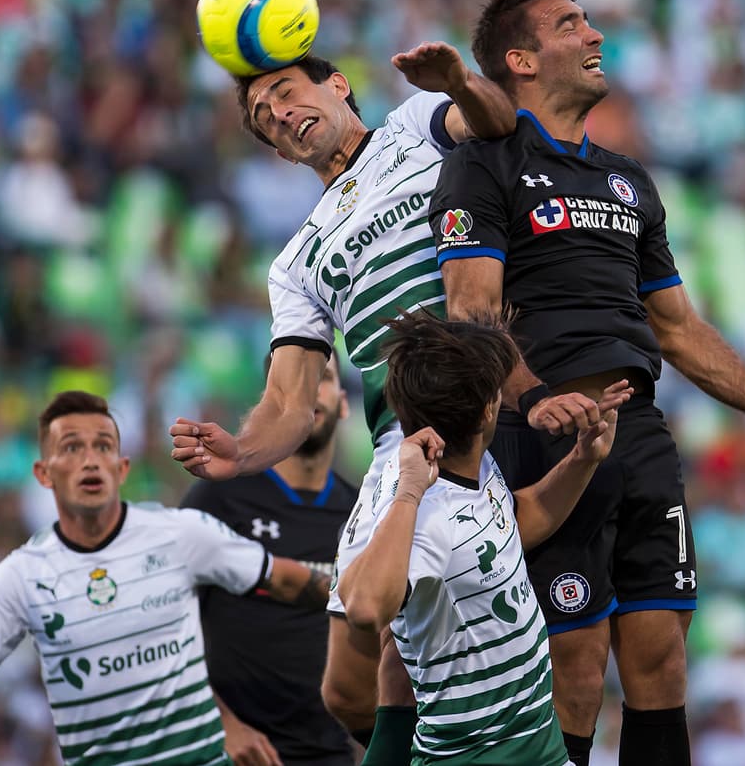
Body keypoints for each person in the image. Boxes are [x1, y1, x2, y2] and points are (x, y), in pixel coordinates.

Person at [429, 0, 745, 766]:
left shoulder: (628, 179)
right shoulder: (486, 164)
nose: (594, 34)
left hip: (636, 428)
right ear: (522, 60)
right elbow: (471, 312)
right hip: (545, 431)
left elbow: (675, 327)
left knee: (660, 656)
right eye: (570, 24)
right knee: (574, 663)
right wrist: (533, 399)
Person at [168, 44, 520, 761]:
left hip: (496, 398)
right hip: (405, 440)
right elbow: (292, 399)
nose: (280, 116)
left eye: (286, 94)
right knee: (348, 687)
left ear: (337, 85)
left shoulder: (414, 124)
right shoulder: (295, 260)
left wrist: (457, 81)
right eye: (264, 118)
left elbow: (499, 122)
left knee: (544, 645)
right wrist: (241, 451)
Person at [0, 391, 330, 766]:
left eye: (103, 446)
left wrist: (374, 594)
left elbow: (291, 581)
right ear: (44, 474)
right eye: (71, 448)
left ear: (121, 468)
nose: (90, 460)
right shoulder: (20, 575)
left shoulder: (181, 533)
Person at [336, 310, 624, 765]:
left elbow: (514, 523)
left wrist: (582, 460)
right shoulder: (420, 505)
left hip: (540, 747)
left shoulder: (474, 466)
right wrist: (409, 495)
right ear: (489, 408)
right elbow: (366, 607)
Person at [181, 354, 358, 766]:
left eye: (323, 378)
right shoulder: (220, 496)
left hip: (327, 749)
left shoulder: (362, 511)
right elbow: (166, 618)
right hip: (234, 748)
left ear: (344, 403)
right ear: (271, 403)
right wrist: (221, 723)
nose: (311, 390)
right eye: (297, 380)